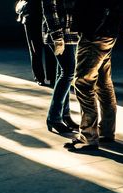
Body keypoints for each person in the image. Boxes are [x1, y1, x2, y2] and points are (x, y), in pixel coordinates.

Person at [63, 0, 122, 151]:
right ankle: (107, 131)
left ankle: (88, 137)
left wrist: (88, 32)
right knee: (103, 83)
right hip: (108, 31)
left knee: (83, 83)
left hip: (93, 34)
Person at [42, 0, 80, 133]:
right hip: (60, 35)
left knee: (64, 73)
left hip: (70, 35)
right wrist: (58, 37)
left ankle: (64, 115)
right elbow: (50, 11)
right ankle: (54, 117)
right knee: (68, 72)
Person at [18, 0, 56, 86]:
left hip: (41, 17)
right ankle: (45, 78)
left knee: (45, 49)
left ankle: (46, 77)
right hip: (33, 17)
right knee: (37, 49)